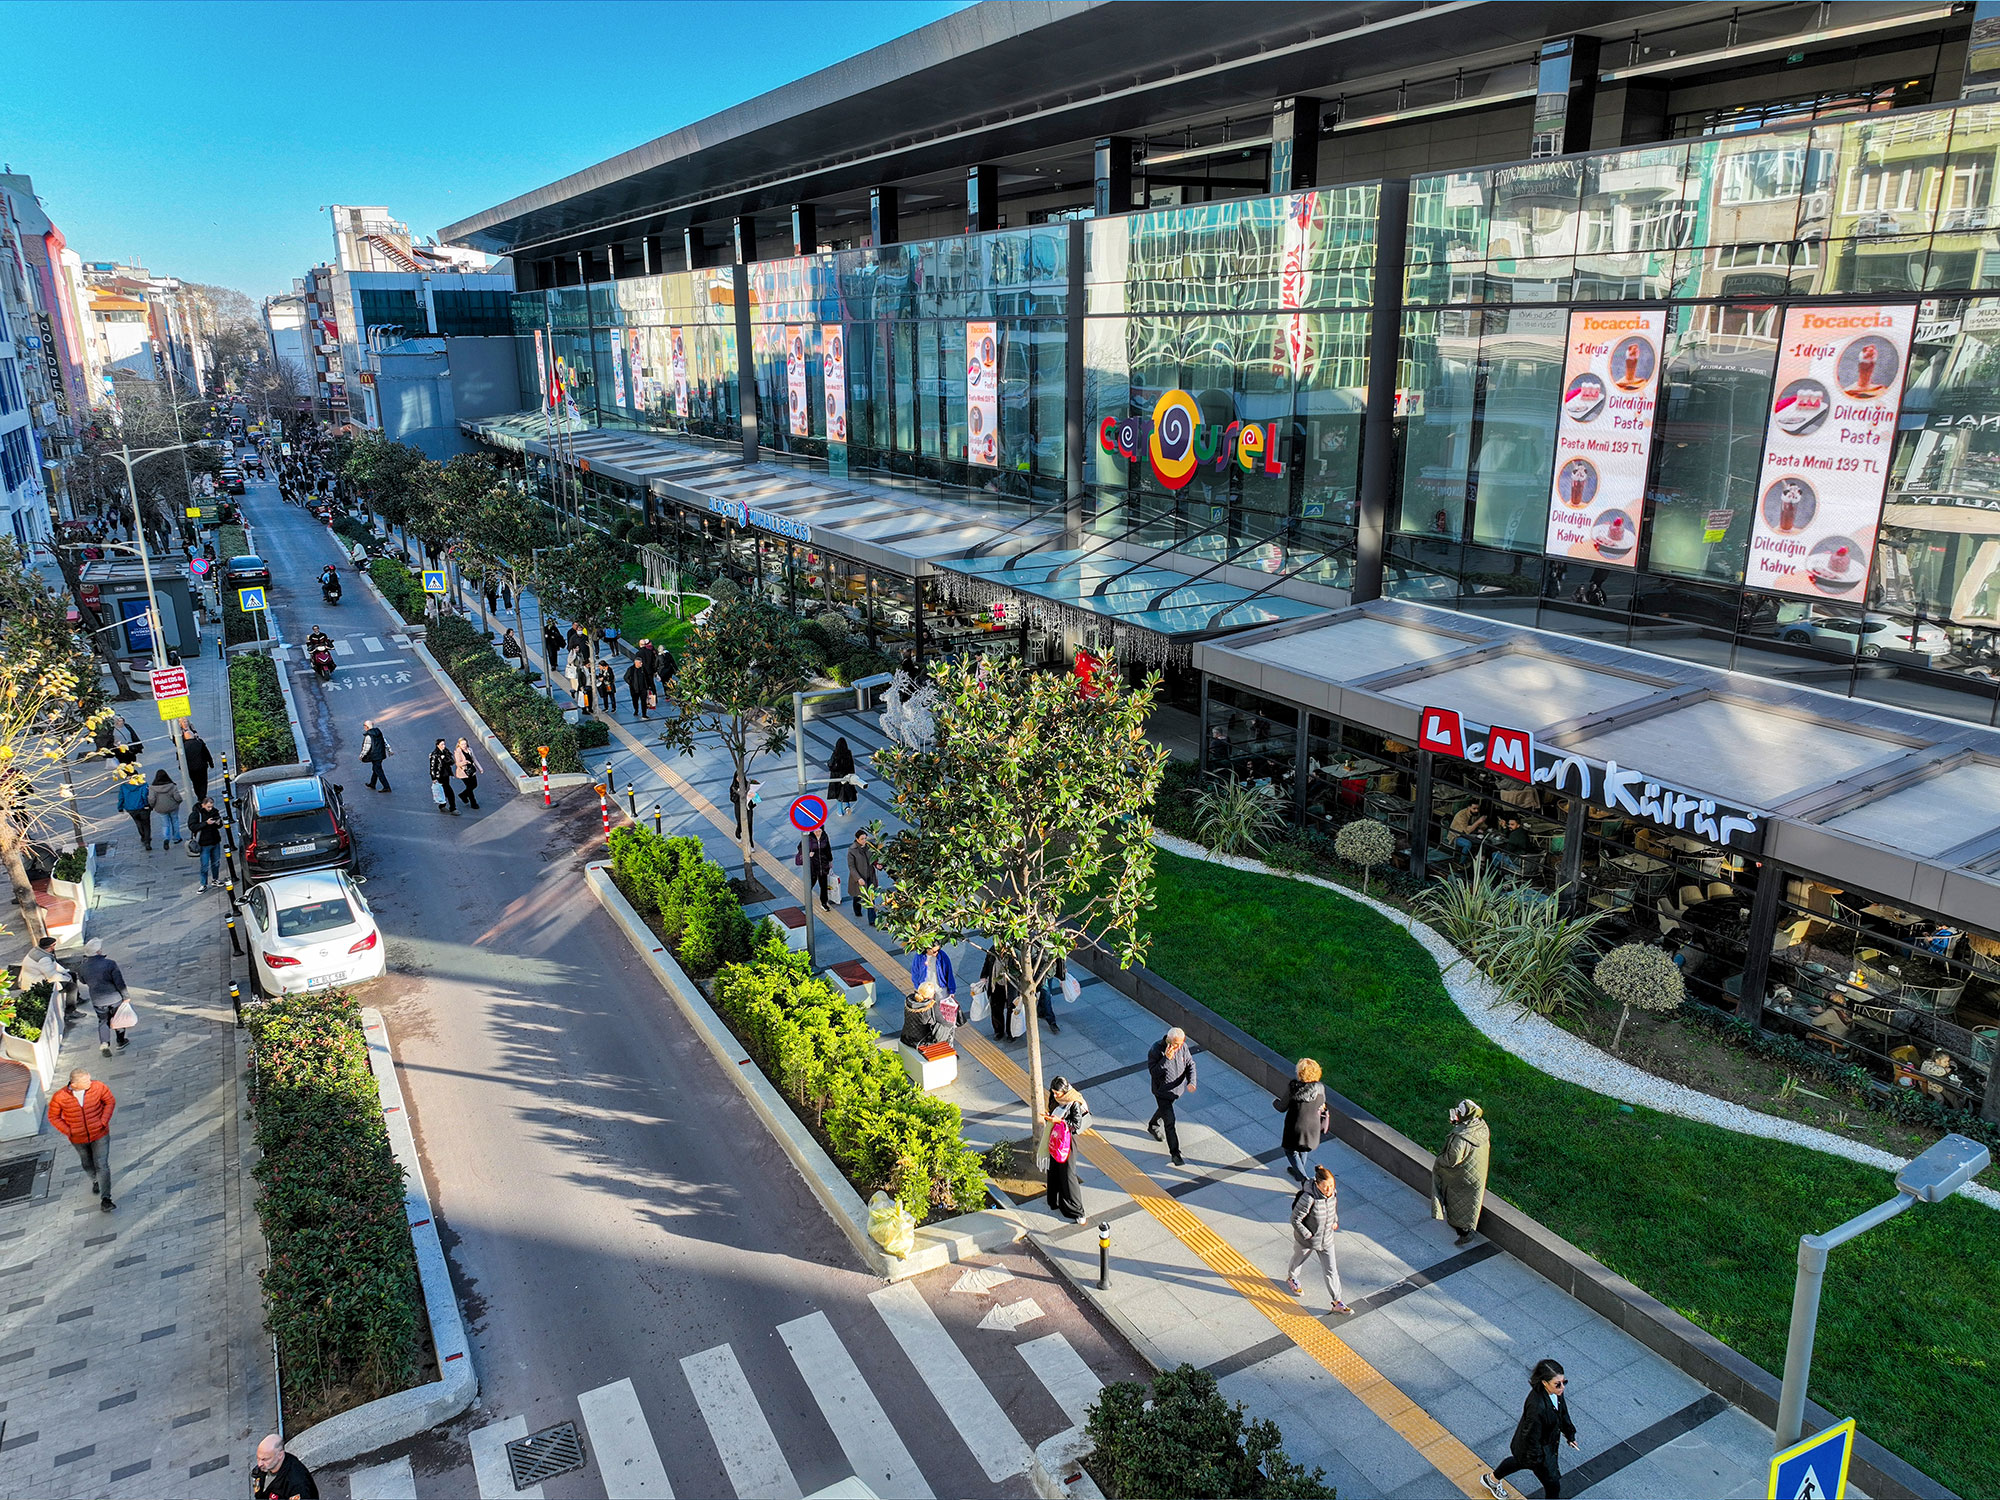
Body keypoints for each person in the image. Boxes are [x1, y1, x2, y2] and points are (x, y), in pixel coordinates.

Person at [1481, 1360, 1578, 1500]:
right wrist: (1538, 1461)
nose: (1562, 1387)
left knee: (1518, 1462)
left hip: (1536, 1448)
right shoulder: (1537, 1407)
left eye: (1564, 1382)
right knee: (1553, 1485)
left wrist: (1570, 1434)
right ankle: (1492, 1480)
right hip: (1537, 1452)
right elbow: (1532, 1436)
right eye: (1558, 1384)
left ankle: (1491, 1480)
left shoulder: (1555, 1393)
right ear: (1544, 1383)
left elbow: (1563, 1413)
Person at [1285, 1165, 1352, 1315]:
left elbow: (1332, 1210)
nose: (1329, 1189)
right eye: (1325, 1186)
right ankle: (1292, 1278)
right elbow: (1295, 1219)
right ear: (1317, 1184)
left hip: (1326, 1239)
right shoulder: (1309, 1198)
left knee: (1331, 1270)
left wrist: (1334, 1220)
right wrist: (1307, 1234)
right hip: (1307, 1240)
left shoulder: (1333, 1194)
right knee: (1298, 1259)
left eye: (1331, 1185)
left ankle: (1337, 1301)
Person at [47, 1068, 115, 1212]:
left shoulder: (98, 1087)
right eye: (86, 1081)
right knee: (87, 1163)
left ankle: (106, 1199)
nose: (90, 1082)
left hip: (100, 1134)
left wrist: (103, 1121)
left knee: (102, 1165)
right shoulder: (60, 1097)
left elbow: (110, 1101)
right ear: (74, 1084)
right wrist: (69, 1131)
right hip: (78, 1139)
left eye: (89, 1079)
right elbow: (53, 1116)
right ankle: (95, 1180)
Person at [1431, 1098, 1491, 1247]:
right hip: (1477, 1173)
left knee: (1456, 1201)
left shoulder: (1461, 1138)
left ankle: (1464, 1232)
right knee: (1469, 1203)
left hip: (1462, 1175)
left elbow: (1452, 1159)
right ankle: (1466, 1228)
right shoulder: (1480, 1127)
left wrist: (1439, 1160)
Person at [1146, 1027, 1198, 1166]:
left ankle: (1153, 1125)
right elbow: (1154, 1072)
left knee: (1164, 1111)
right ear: (1169, 1040)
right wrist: (1166, 1059)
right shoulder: (1156, 1050)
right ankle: (1175, 1154)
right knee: (1170, 1121)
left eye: (1181, 1043)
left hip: (1176, 1091)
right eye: (1176, 1044)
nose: (1179, 1047)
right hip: (1162, 1092)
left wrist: (1192, 1082)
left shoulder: (1183, 1047)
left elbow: (1190, 1064)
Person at [1043, 1077, 1090, 1222]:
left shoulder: (1074, 1102)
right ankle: (1054, 1200)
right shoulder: (1055, 1097)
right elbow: (1051, 1110)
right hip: (1055, 1137)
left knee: (1068, 1173)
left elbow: (1076, 1124)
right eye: (1053, 1092)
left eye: (1057, 1093)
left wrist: (1059, 1121)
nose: (1055, 1095)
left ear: (1065, 1091)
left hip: (1067, 1141)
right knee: (1054, 1169)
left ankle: (1077, 1211)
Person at [1275, 1057, 1329, 1185]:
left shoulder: (1294, 1088)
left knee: (1290, 1150)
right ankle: (1298, 1172)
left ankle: (1304, 1179)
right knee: (1303, 1149)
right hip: (1313, 1127)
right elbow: (1322, 1103)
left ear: (1300, 1073)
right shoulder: (1320, 1088)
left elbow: (1282, 1107)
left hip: (1295, 1127)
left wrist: (1275, 1102)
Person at [18, 935, 75, 1017]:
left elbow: (53, 965)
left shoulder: (38, 950)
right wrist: (67, 978)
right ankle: (70, 1011)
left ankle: (75, 998)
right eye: (54, 945)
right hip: (37, 982)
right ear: (50, 947)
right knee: (72, 987)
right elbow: (51, 976)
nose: (55, 947)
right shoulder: (44, 959)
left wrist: (66, 972)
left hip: (35, 977)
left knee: (72, 975)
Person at [252, 1433, 320, 1500]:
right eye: (258, 1458)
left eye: (265, 1459)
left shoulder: (297, 1484)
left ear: (280, 1455)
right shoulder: (265, 1468)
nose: (259, 1464)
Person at [900, 981, 954, 1049]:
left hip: (906, 1038)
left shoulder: (909, 1002)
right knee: (949, 1027)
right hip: (921, 1042)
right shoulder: (931, 1007)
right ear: (930, 996)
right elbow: (943, 1022)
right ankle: (948, 1049)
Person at [981, 945, 1019, 1041]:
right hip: (996, 984)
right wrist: (984, 976)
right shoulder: (993, 950)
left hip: (1010, 985)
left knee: (1011, 1009)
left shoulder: (1014, 953)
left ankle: (1011, 1033)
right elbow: (987, 963)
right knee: (996, 1008)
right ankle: (998, 1031)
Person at [190, 795, 224, 891]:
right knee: (204, 865)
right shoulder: (196, 814)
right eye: (208, 807)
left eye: (211, 806)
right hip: (204, 843)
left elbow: (219, 825)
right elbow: (192, 827)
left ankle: (215, 879)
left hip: (215, 841)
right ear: (203, 805)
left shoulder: (214, 812)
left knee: (216, 862)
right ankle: (203, 884)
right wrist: (206, 823)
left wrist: (218, 823)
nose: (210, 808)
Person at [910, 941, 955, 1012]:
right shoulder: (919, 957)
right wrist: (917, 987)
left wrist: (951, 990)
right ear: (927, 949)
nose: (936, 953)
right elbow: (915, 972)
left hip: (940, 989)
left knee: (942, 1011)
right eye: (934, 951)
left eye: (938, 950)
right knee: (926, 1011)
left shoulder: (942, 956)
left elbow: (949, 973)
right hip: (926, 990)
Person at [847, 829, 879, 927]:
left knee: (870, 898)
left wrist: (877, 864)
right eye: (862, 839)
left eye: (865, 838)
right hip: (859, 878)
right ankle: (857, 910)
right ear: (857, 839)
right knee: (857, 896)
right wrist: (858, 878)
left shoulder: (870, 847)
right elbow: (851, 867)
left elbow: (874, 858)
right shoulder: (852, 850)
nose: (864, 840)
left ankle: (872, 920)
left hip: (870, 876)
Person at [116, 772, 153, 851]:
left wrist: (120, 807)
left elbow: (121, 797)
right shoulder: (143, 784)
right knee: (146, 824)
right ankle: (147, 841)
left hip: (131, 808)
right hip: (143, 807)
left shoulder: (124, 786)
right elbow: (145, 795)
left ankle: (143, 836)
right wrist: (147, 804)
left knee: (138, 823)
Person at [148, 769, 184, 848]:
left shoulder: (152, 788)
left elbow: (151, 799)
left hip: (161, 808)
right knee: (175, 821)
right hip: (173, 807)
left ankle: (166, 838)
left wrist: (152, 806)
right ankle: (176, 838)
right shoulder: (172, 786)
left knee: (165, 824)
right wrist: (179, 802)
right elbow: (177, 797)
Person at [827, 737, 860, 816]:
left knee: (839, 794)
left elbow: (831, 764)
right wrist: (852, 774)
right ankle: (847, 806)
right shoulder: (848, 753)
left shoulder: (835, 754)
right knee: (846, 792)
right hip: (847, 775)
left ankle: (840, 811)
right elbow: (851, 764)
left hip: (837, 776)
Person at [180, 725, 214, 801]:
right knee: (203, 781)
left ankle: (199, 795)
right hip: (202, 766)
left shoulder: (183, 747)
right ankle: (203, 795)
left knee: (195, 782)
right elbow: (206, 753)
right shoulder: (199, 742)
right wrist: (211, 763)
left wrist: (181, 767)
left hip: (191, 768)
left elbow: (180, 758)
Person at [806, 826, 833, 912]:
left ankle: (824, 903)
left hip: (823, 865)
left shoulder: (825, 836)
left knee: (823, 885)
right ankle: (807, 896)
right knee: (811, 882)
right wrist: (808, 853)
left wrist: (830, 860)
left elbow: (828, 848)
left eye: (819, 831)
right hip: (813, 865)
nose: (818, 833)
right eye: (816, 831)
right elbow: (800, 847)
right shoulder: (809, 837)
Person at [360, 719, 391, 793]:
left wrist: (361, 756)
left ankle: (386, 787)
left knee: (378, 770)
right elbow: (384, 741)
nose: (364, 727)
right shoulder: (378, 732)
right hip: (380, 754)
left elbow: (366, 748)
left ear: (367, 727)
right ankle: (372, 784)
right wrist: (389, 750)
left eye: (364, 726)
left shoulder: (368, 736)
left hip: (375, 756)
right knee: (375, 769)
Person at [729, 768, 757, 848]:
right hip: (739, 808)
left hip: (748, 808)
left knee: (749, 825)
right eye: (737, 777)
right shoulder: (733, 787)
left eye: (741, 777)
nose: (739, 779)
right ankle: (738, 833)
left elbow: (755, 798)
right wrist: (738, 793)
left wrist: (753, 796)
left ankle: (751, 844)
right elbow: (732, 799)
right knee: (741, 823)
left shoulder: (748, 785)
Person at [429, 739, 458, 814]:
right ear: (437, 745)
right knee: (447, 791)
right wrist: (433, 778)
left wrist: (444, 758)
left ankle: (446, 806)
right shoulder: (434, 754)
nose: (443, 746)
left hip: (446, 774)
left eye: (444, 744)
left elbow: (452, 762)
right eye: (442, 744)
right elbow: (432, 767)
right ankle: (450, 807)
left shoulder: (446, 752)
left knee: (446, 790)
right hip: (440, 776)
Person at [453, 737, 482, 811]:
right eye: (462, 744)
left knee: (474, 785)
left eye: (465, 744)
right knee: (469, 787)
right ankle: (473, 803)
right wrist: (465, 762)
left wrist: (480, 768)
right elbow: (458, 763)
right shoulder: (458, 752)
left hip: (471, 770)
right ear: (459, 744)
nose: (464, 745)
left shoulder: (469, 750)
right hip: (463, 773)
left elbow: (474, 759)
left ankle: (463, 795)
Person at [624, 655, 653, 719]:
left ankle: (644, 714)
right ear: (636, 663)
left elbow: (647, 677)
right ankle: (636, 710)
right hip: (634, 689)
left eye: (641, 662)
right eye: (640, 662)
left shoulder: (643, 669)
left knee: (644, 701)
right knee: (635, 700)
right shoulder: (631, 669)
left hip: (643, 688)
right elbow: (625, 677)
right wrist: (631, 683)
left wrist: (649, 686)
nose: (641, 663)